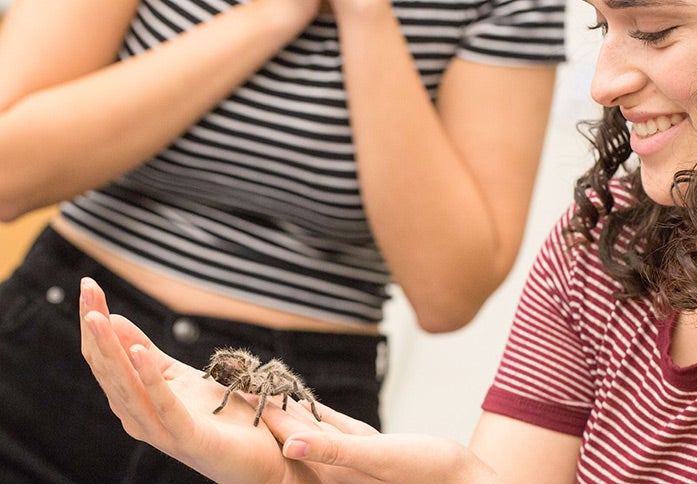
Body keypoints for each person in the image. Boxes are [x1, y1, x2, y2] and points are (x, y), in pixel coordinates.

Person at [81, 0, 697, 482]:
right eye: (601, 28)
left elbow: (447, 296)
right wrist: (287, 477)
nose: (602, 81)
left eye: (653, 33)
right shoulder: (606, 237)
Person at [0, 0, 566, 482]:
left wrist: (365, 16)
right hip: (59, 342)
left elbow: (447, 294)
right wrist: (271, 16)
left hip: (288, 409)